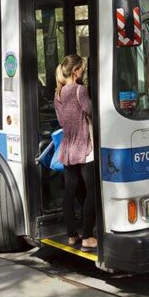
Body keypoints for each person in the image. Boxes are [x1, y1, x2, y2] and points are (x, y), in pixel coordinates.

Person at [54, 54, 97, 252]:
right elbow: (90, 111)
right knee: (92, 191)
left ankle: (72, 235)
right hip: (85, 147)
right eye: (82, 69)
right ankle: (88, 236)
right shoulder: (80, 90)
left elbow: (62, 122)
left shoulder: (59, 94)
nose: (84, 72)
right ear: (75, 71)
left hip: (68, 148)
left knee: (70, 192)